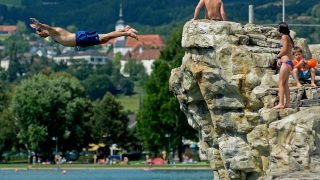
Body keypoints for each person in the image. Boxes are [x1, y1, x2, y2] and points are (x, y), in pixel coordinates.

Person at [29, 18, 138, 48]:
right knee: (104, 39)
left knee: (105, 36)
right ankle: (124, 29)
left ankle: (128, 33)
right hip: (80, 42)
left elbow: (48, 27)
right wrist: (38, 27)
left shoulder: (54, 31)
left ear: (43, 30)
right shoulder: (52, 36)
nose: (40, 35)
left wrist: (39, 24)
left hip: (80, 38)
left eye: (40, 32)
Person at [273, 22, 295, 109]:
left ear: (281, 29)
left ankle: (281, 103)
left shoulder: (284, 37)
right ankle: (288, 103)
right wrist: (279, 58)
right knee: (285, 83)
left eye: (278, 28)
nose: (277, 29)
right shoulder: (288, 37)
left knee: (281, 82)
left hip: (286, 62)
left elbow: (285, 49)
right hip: (289, 62)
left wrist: (277, 56)